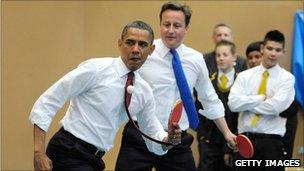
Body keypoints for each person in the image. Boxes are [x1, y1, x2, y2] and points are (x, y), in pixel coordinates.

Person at [29, 20, 182, 171]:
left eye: (142, 44)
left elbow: (152, 133)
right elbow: (49, 100)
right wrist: (39, 152)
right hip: (67, 151)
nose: (135, 49)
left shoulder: (144, 91)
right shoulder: (96, 69)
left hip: (94, 160)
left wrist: (167, 140)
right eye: (130, 42)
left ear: (151, 49)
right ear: (119, 43)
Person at [115, 2, 237, 171]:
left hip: (177, 140)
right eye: (166, 24)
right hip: (139, 136)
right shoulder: (144, 51)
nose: (170, 30)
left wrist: (227, 132)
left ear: (186, 28)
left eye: (177, 25)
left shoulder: (195, 59)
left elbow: (208, 98)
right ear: (160, 25)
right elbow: (118, 83)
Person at [228, 30, 295, 171]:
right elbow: (233, 104)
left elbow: (275, 108)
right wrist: (261, 98)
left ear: (283, 52)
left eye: (278, 50)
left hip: (272, 144)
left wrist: (245, 104)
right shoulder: (244, 76)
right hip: (245, 141)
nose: (273, 53)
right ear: (262, 48)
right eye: (269, 48)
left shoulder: (287, 78)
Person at [245, 41, 300, 159]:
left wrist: (286, 151)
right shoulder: (244, 81)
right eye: (250, 57)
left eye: (257, 57)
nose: (253, 61)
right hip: (248, 144)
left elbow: (290, 114)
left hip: (274, 145)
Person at [196, 40, 239, 171]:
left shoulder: (241, 82)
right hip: (209, 141)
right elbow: (198, 107)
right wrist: (203, 134)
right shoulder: (207, 81)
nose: (221, 58)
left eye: (225, 55)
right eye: (218, 55)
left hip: (233, 141)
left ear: (234, 57)